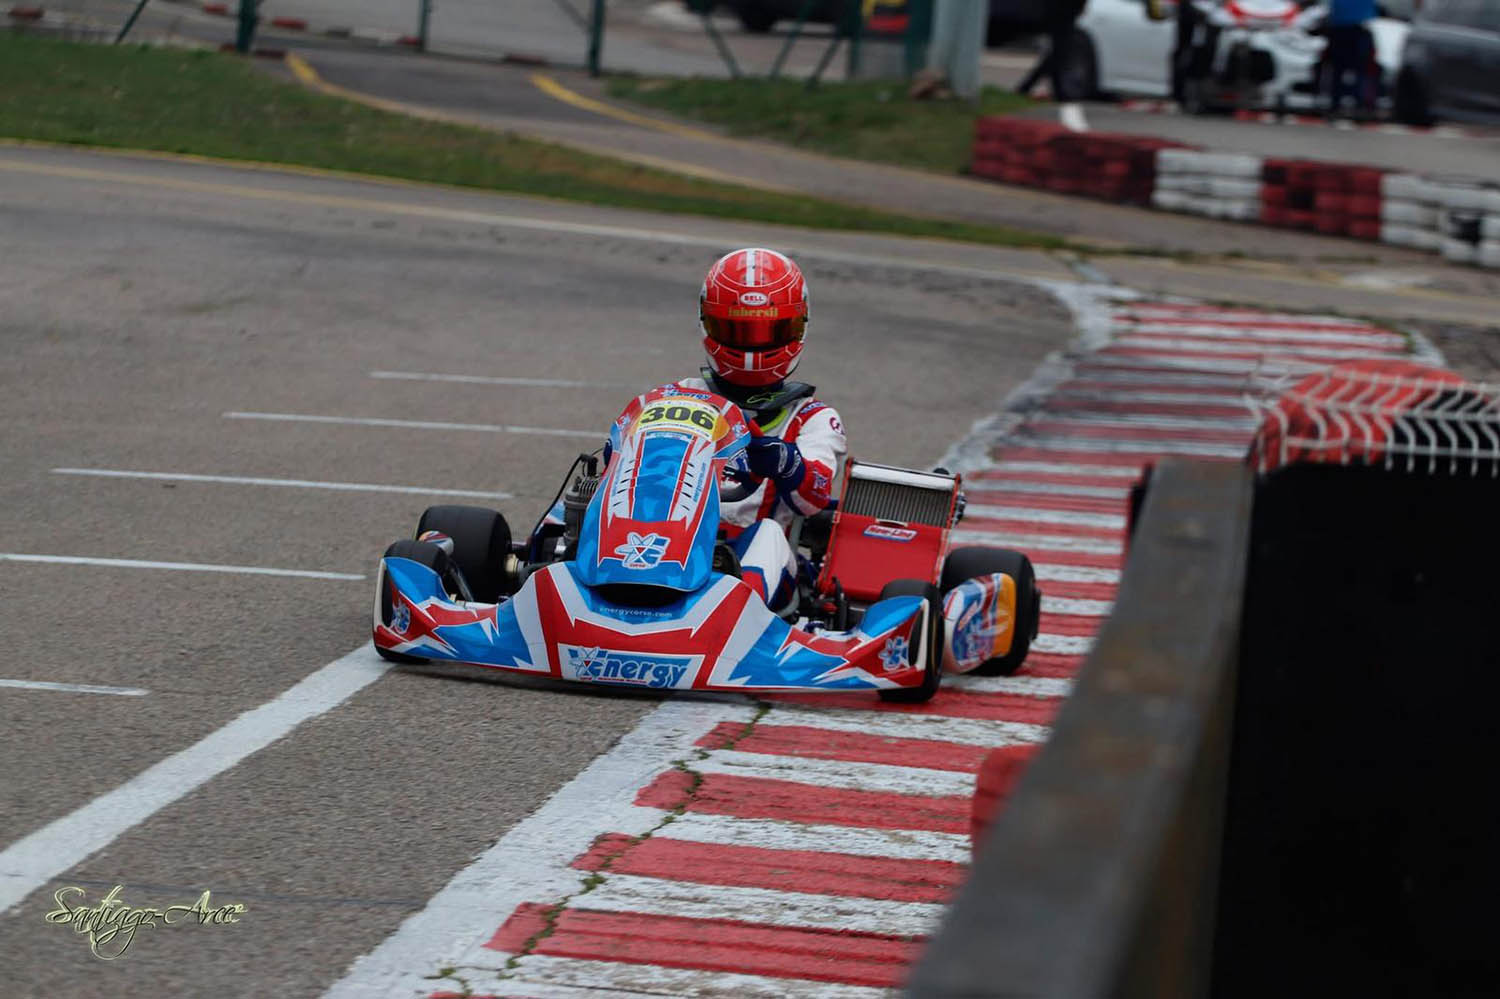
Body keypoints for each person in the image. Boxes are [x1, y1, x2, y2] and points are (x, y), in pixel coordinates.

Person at [666, 248, 846, 612]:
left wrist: (786, 463)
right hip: (671, 542)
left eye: (770, 332)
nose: (751, 350)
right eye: (736, 331)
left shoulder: (811, 418)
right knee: (573, 510)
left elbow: (814, 500)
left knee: (766, 535)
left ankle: (728, 619)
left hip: (756, 562)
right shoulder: (679, 397)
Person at [1015, 0, 1088, 100]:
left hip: (1063, 13)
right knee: (1058, 55)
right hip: (1062, 13)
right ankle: (1028, 87)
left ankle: (1030, 87)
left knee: (1058, 55)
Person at [1324, 0, 1378, 117]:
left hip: (1340, 29)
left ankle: (1337, 104)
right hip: (1357, 29)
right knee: (1360, 70)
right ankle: (1359, 104)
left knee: (1340, 70)